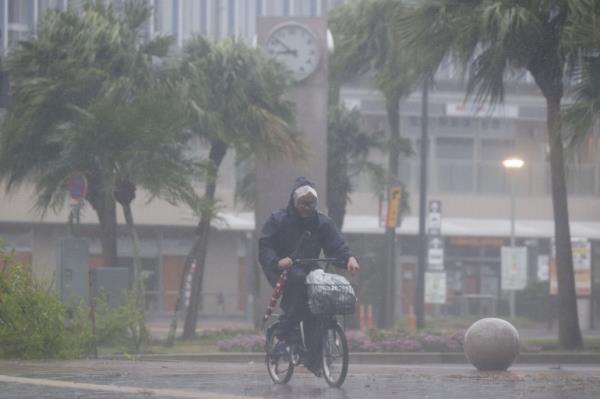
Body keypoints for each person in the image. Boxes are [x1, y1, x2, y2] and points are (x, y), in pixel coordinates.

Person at [259, 176, 359, 376]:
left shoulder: (322, 222)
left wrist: (349, 258)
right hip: (282, 270)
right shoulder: (278, 220)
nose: (307, 207)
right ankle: (285, 333)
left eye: (311, 203)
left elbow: (336, 244)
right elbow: (265, 247)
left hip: (311, 269)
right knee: (297, 282)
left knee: (320, 303)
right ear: (294, 202)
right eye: (303, 203)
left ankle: (314, 358)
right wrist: (277, 262)